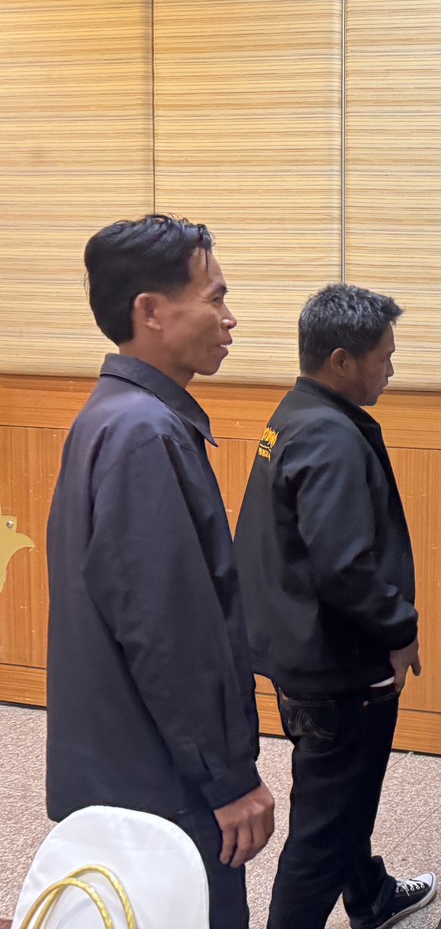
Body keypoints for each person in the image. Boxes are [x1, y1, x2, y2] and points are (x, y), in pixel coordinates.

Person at [45, 215, 272, 929]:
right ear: (151, 311)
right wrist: (230, 779)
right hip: (159, 785)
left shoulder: (115, 416)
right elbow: (170, 632)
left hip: (126, 765)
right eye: (214, 297)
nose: (229, 319)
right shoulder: (142, 432)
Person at [233, 284, 434, 929]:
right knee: (323, 830)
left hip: (303, 651)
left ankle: (370, 896)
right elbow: (344, 568)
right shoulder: (329, 438)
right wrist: (401, 627)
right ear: (342, 360)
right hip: (338, 666)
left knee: (338, 800)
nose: (391, 370)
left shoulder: (297, 413)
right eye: (384, 357)